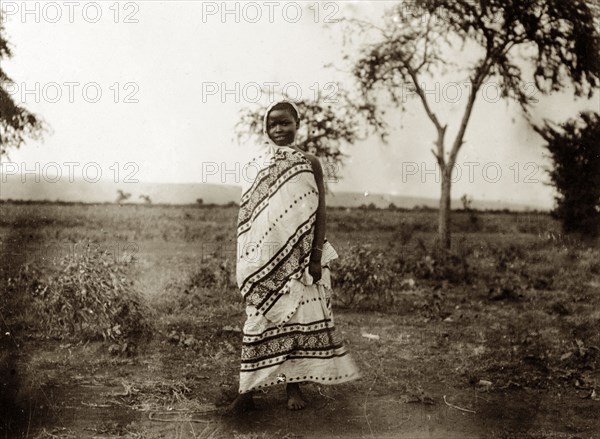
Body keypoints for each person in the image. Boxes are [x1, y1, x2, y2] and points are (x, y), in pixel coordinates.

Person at [229, 100, 360, 413]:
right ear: (265, 128)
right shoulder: (257, 163)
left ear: (297, 125)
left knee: (297, 320)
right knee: (257, 320)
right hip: (265, 260)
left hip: (299, 259)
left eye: (285, 123)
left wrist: (314, 256)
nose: (278, 130)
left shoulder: (310, 162)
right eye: (272, 124)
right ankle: (246, 391)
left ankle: (294, 387)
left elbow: (320, 210)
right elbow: (249, 215)